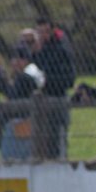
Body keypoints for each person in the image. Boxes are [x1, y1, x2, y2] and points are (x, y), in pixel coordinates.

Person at [32, 17, 75, 159]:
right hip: (42, 98)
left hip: (57, 95)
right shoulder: (39, 47)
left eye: (45, 32)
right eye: (39, 32)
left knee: (57, 140)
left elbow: (66, 77)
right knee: (43, 141)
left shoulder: (60, 47)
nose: (42, 35)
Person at [0, 46, 45, 161]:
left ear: (23, 61)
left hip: (22, 120)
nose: (12, 63)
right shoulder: (30, 73)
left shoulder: (24, 77)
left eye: (15, 59)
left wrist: (2, 80)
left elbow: (13, 96)